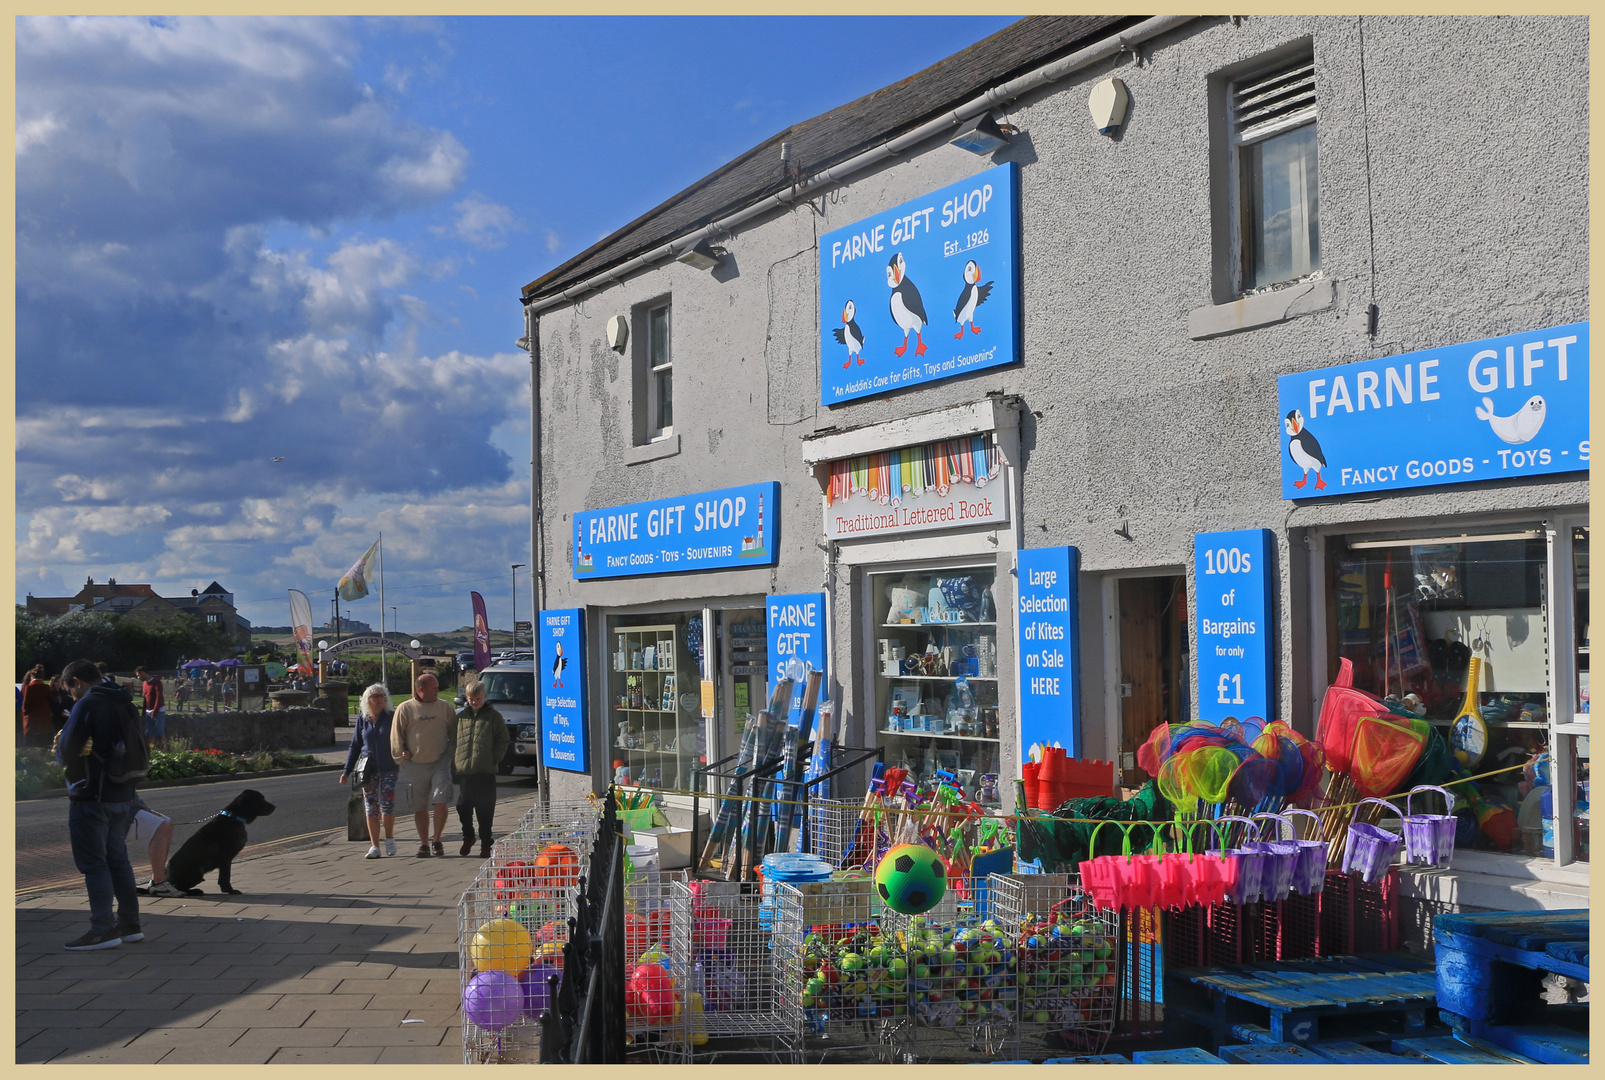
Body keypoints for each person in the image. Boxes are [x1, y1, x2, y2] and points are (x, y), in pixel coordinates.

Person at [55, 658, 141, 950]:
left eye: (70, 690)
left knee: (94, 864)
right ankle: (130, 925)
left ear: (76, 682)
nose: (71, 696)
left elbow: (66, 750)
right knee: (118, 859)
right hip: (123, 792)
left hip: (91, 793)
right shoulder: (125, 700)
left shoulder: (87, 704)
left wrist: (58, 747)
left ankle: (103, 929)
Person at [390, 673, 457, 857]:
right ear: (421, 689)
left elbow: (454, 733)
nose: (437, 690)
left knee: (441, 800)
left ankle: (437, 840)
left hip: (440, 763)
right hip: (415, 765)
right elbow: (396, 737)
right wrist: (403, 756)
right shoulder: (405, 709)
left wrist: (449, 756)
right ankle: (424, 844)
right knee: (419, 807)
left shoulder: (445, 707)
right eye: (434, 687)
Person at [341, 683, 400, 859]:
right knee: (370, 807)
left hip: (389, 766)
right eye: (376, 697)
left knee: (387, 805)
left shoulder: (392, 716)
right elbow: (355, 745)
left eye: (383, 696)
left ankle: (389, 838)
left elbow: (402, 737)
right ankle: (375, 846)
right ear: (368, 700)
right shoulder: (363, 718)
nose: (380, 699)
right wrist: (347, 770)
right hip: (367, 769)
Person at [454, 680, 510, 857]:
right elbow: (453, 740)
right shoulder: (461, 717)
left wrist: (495, 758)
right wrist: (454, 761)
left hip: (485, 770)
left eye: (477, 699)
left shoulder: (494, 717)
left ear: (484, 697)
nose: (473, 702)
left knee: (484, 809)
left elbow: (503, 740)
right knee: (463, 806)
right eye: (470, 699)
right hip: (465, 770)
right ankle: (468, 835)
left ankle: (486, 842)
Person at [128, 794, 183, 897]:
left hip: (123, 804)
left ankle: (156, 881)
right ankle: (159, 883)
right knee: (161, 827)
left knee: (167, 822)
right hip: (110, 808)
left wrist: (145, 809)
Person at [21, 665, 54, 748]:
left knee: (29, 743)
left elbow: (26, 704)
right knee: (42, 743)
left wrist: (25, 713)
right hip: (44, 719)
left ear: (32, 676)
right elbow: (51, 699)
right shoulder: (46, 687)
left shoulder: (29, 688)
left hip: (32, 719)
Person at [136, 667, 166, 749]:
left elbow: (159, 697)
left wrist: (155, 711)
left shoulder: (156, 682)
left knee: (159, 733)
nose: (138, 677)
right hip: (148, 711)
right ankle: (151, 749)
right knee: (149, 733)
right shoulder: (144, 684)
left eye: (138, 675)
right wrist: (143, 713)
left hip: (158, 711)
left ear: (142, 672)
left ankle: (164, 750)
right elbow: (145, 699)